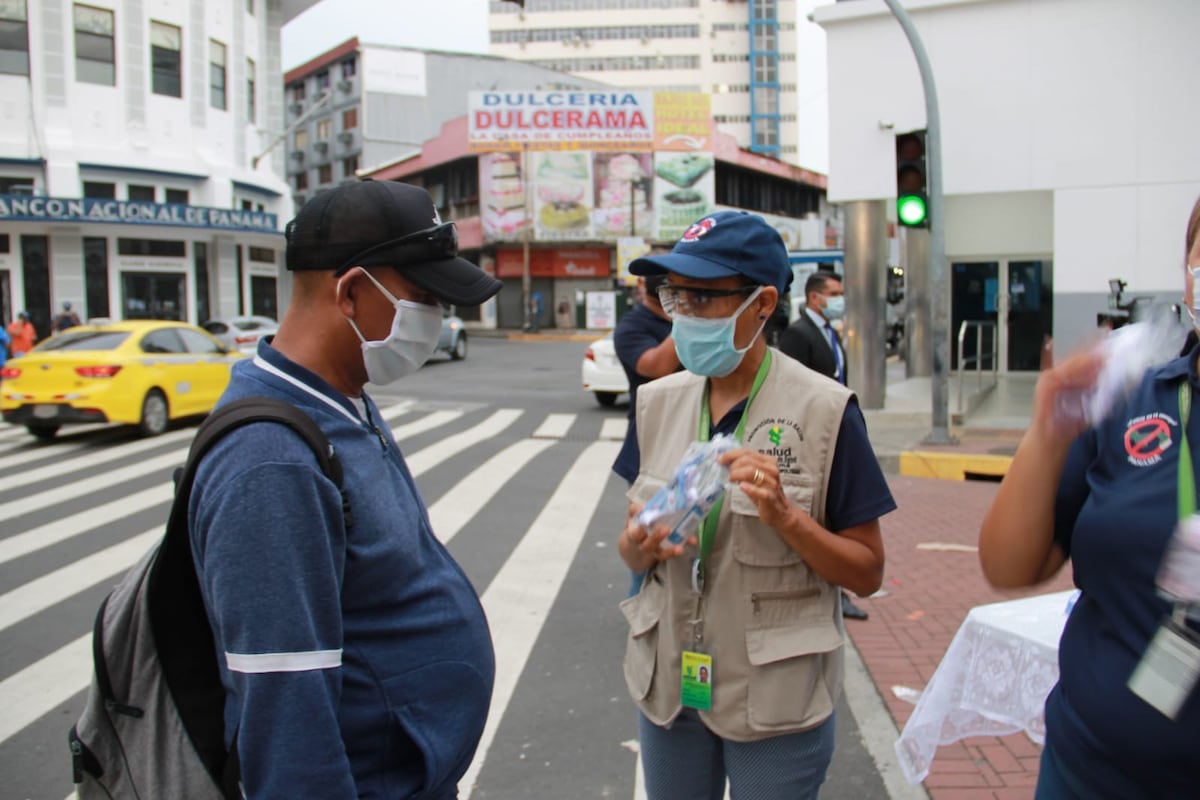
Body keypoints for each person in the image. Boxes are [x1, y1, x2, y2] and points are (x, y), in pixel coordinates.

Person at [188, 179, 501, 799]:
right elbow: (285, 709)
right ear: (354, 292)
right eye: (423, 297)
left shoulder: (341, 398)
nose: (439, 319)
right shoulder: (269, 461)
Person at [617, 210, 895, 800]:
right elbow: (629, 547)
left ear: (762, 304)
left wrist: (786, 518)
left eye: (702, 298)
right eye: (675, 297)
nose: (683, 315)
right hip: (671, 686)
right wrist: (640, 543)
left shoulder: (826, 413)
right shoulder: (658, 402)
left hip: (774, 699)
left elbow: (867, 573)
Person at [978, 193, 1200, 799]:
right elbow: (1009, 564)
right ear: (1187, 268)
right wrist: (1047, 430)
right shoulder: (1132, 399)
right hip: (1091, 770)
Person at [778, 272, 871, 621]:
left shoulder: (830, 333)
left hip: (834, 431)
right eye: (835, 294)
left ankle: (839, 588)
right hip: (810, 437)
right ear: (815, 298)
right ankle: (832, 585)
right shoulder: (798, 334)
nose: (840, 300)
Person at [612, 273, 681, 486]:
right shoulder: (631, 326)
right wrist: (688, 319)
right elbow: (658, 367)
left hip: (696, 432)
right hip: (652, 441)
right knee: (648, 517)